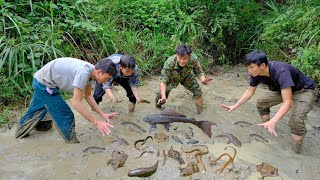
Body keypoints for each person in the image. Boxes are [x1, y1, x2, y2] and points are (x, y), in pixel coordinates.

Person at [220, 50, 316, 153]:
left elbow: (287, 102)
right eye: (248, 68)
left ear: (262, 66)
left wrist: (274, 120)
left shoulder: (281, 72)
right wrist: (235, 105)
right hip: (281, 89)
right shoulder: (256, 74)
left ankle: (296, 153)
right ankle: (267, 128)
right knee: (261, 103)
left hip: (303, 90)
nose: (249, 71)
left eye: (251, 67)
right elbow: (249, 91)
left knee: (295, 121)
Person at [15, 57, 119, 143]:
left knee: (40, 115)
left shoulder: (92, 72)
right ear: (99, 72)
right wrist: (97, 122)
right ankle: (72, 144)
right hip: (44, 85)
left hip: (43, 81)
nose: (107, 81)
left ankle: (20, 133)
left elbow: (88, 96)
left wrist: (103, 114)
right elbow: (76, 103)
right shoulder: (84, 72)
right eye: (107, 78)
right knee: (66, 115)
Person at [155, 45, 212, 114]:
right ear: (176, 55)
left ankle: (200, 113)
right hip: (172, 78)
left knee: (197, 91)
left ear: (189, 56)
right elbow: (163, 81)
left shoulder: (193, 59)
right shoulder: (169, 62)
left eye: (185, 58)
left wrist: (203, 79)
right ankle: (158, 108)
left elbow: (199, 71)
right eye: (180, 58)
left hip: (186, 76)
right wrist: (163, 96)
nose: (182, 61)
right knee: (160, 97)